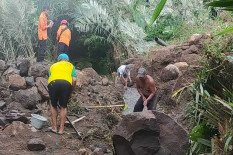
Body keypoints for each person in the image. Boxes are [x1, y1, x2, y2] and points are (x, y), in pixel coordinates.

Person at [48, 53, 77, 134]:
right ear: (67, 60)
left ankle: (54, 127)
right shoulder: (70, 66)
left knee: (53, 105)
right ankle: (61, 129)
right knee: (63, 107)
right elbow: (74, 80)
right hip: (66, 84)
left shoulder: (53, 66)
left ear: (59, 59)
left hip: (53, 83)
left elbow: (50, 77)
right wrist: (71, 91)